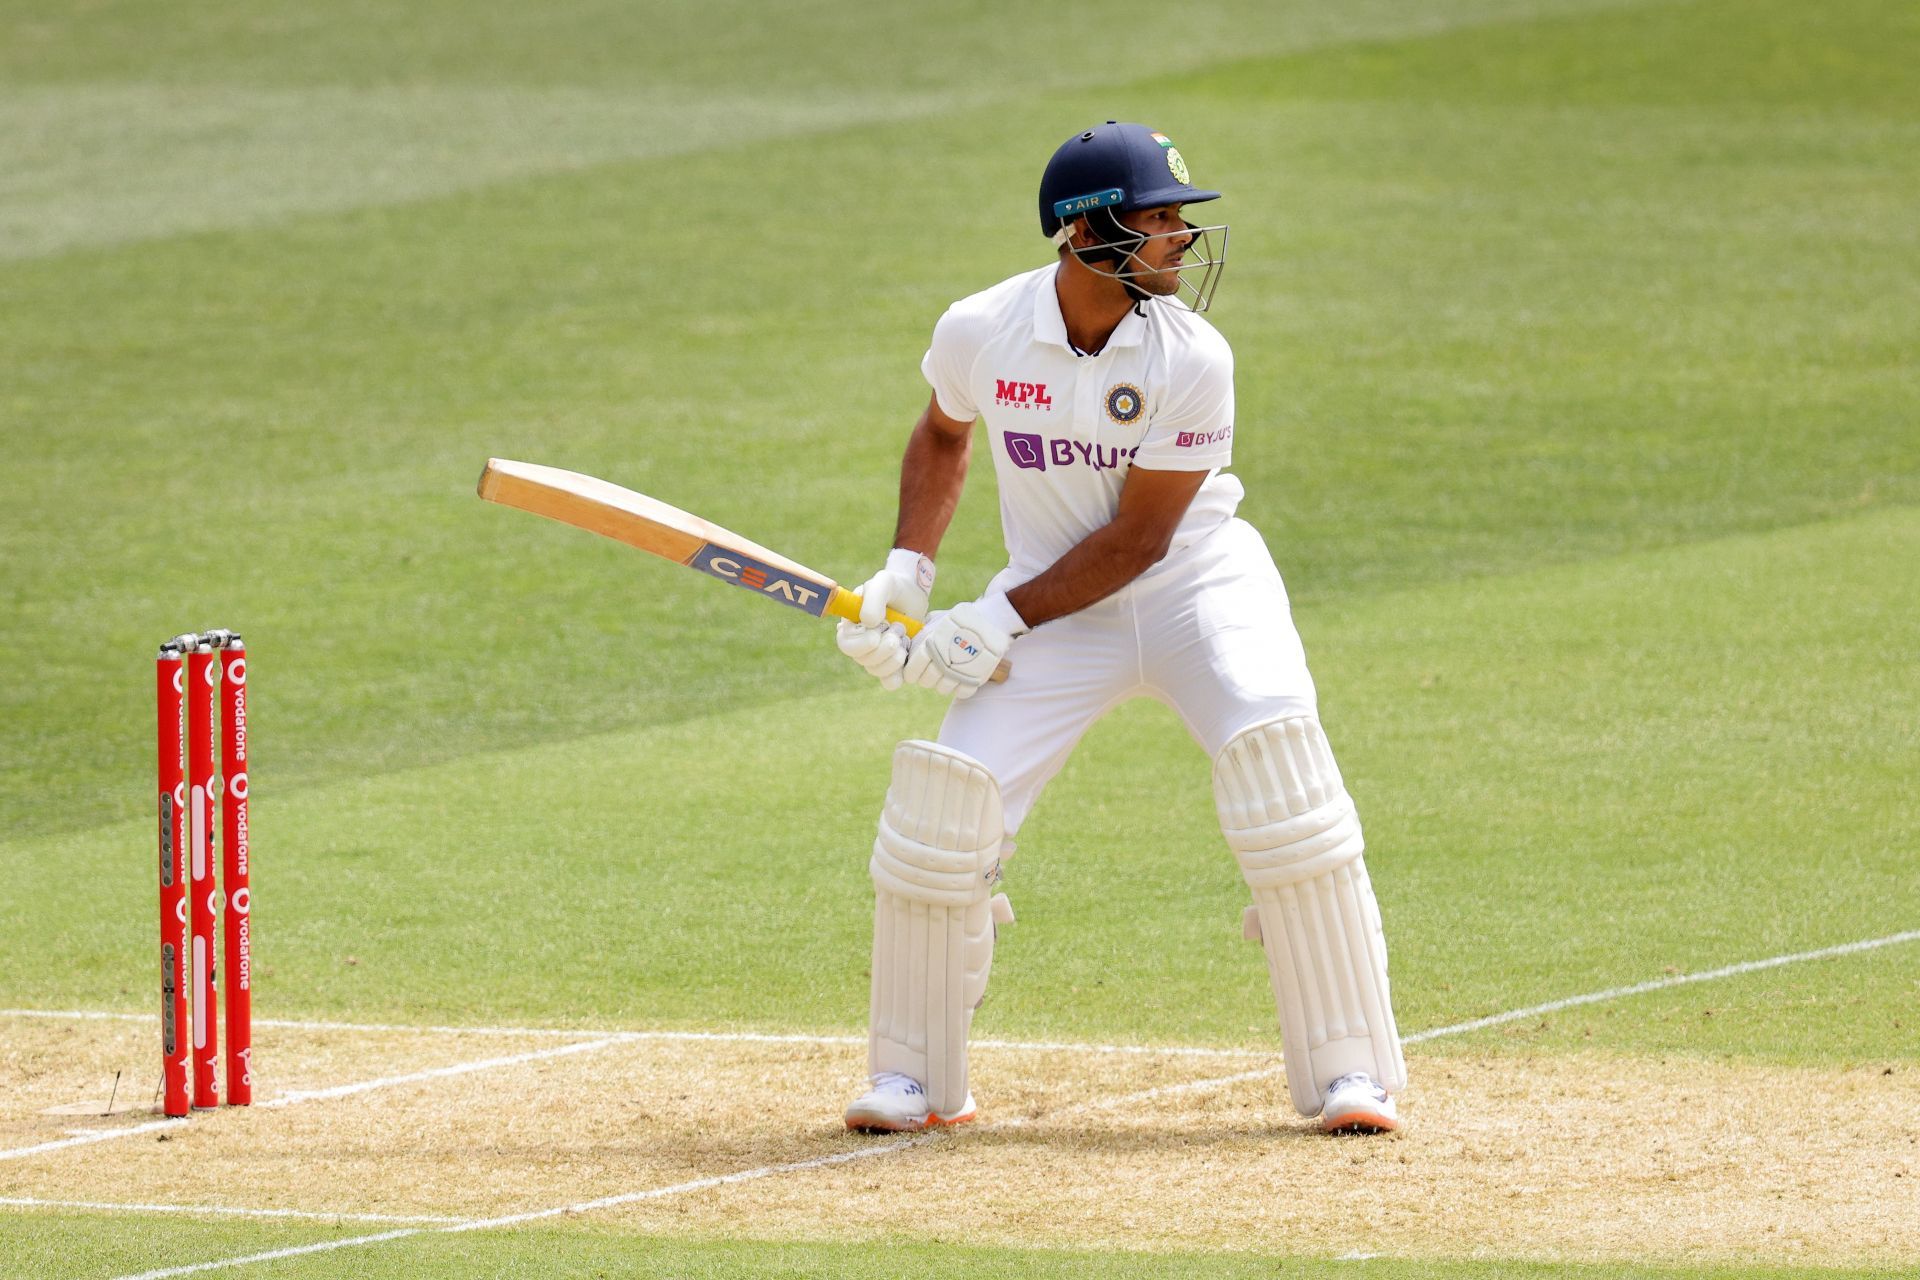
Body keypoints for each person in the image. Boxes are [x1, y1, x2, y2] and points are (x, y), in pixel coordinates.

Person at [834, 122, 1405, 1136]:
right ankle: (915, 1078)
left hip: (1195, 586)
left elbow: (1142, 540)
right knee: (942, 810)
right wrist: (909, 575)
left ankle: (1350, 1072)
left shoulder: (1195, 357)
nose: (1181, 236)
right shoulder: (982, 328)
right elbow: (941, 430)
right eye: (1159, 218)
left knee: (1280, 767)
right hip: (1057, 605)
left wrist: (995, 617)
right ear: (1086, 233)